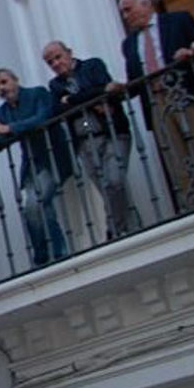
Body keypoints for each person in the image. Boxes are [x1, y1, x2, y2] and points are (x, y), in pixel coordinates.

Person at [111, 0, 194, 211]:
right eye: (123, 13)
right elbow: (135, 80)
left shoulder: (178, 20)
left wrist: (191, 52)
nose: (125, 16)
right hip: (156, 103)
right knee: (176, 159)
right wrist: (122, 88)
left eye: (128, 10)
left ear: (145, 4)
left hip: (186, 93)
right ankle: (192, 207)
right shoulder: (129, 43)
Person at [43, 40, 139, 240]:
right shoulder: (55, 85)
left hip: (113, 132)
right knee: (107, 190)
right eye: (50, 62)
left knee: (114, 180)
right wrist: (90, 99)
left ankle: (113, 229)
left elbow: (105, 89)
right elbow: (56, 111)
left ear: (69, 52)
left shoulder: (93, 65)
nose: (56, 64)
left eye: (58, 57)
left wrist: (71, 100)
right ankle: (132, 229)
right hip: (84, 143)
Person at [0, 67, 71, 267]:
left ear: (15, 79)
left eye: (4, 82)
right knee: (39, 208)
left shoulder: (37, 94)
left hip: (53, 158)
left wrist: (11, 128)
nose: (2, 88)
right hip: (31, 166)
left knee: (34, 204)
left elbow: (42, 117)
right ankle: (56, 254)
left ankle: (44, 256)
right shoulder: (2, 112)